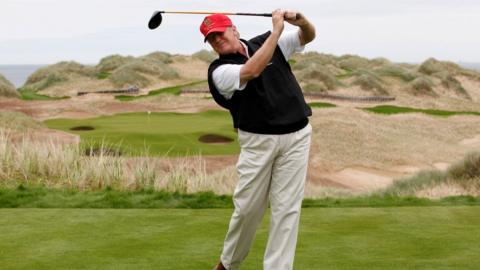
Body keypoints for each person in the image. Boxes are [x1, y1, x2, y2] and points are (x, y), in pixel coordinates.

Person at [200, 9, 315, 270]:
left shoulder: (266, 43)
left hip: (297, 137)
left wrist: (303, 21)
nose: (216, 40)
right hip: (258, 142)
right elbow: (252, 70)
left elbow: (307, 37)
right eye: (211, 38)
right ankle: (229, 264)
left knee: (287, 210)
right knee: (248, 210)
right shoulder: (219, 71)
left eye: (220, 33)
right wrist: (276, 31)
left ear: (234, 30)